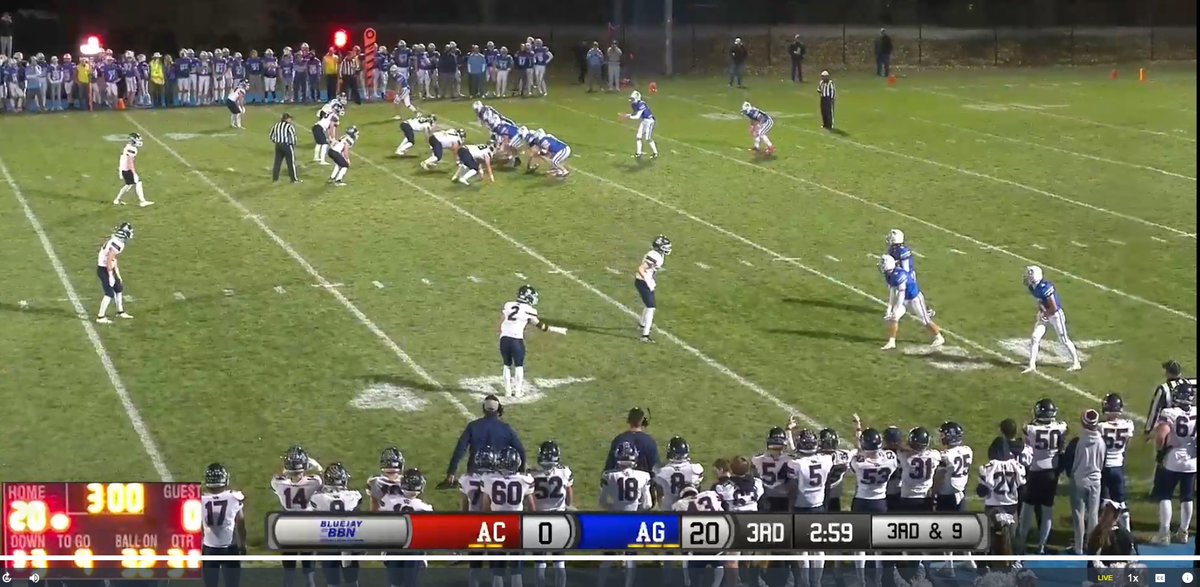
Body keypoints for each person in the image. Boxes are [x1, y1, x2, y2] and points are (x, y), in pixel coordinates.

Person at [443, 394, 526, 488]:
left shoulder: (473, 426)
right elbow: (521, 451)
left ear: (484, 408)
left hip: (475, 475)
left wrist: (451, 472)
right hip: (498, 477)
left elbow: (460, 450)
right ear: (498, 409)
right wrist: (522, 470)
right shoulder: (506, 429)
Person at [1062, 409, 1105, 554]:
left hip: (1079, 480)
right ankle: (1092, 546)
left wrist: (1072, 474)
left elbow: (1072, 462)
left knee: (1078, 514)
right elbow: (1101, 461)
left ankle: (1079, 547)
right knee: (1093, 514)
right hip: (1096, 480)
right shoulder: (1101, 440)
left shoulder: (1078, 441)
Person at [201, 463, 246, 587]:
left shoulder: (201, 499)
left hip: (209, 548)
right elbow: (241, 523)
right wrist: (243, 543)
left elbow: (197, 527)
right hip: (229, 548)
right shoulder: (234, 497)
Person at [95, 222, 135, 324]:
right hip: (104, 269)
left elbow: (113, 259)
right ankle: (100, 317)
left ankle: (120, 311)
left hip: (108, 267)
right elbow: (109, 260)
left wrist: (117, 272)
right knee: (109, 293)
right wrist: (110, 276)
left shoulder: (116, 241)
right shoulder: (118, 244)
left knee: (118, 288)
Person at [603, 407, 659, 472]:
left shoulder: (618, 439)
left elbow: (608, 469)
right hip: (643, 481)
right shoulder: (649, 442)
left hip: (620, 481)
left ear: (629, 420)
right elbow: (656, 470)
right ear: (643, 422)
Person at [269, 112, 300, 183]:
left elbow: (271, 136)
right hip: (287, 145)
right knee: (290, 163)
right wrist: (293, 144)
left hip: (278, 145)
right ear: (287, 119)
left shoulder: (276, 125)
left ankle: (275, 179)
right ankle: (294, 179)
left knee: (277, 163)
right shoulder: (289, 126)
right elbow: (293, 136)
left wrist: (276, 141)